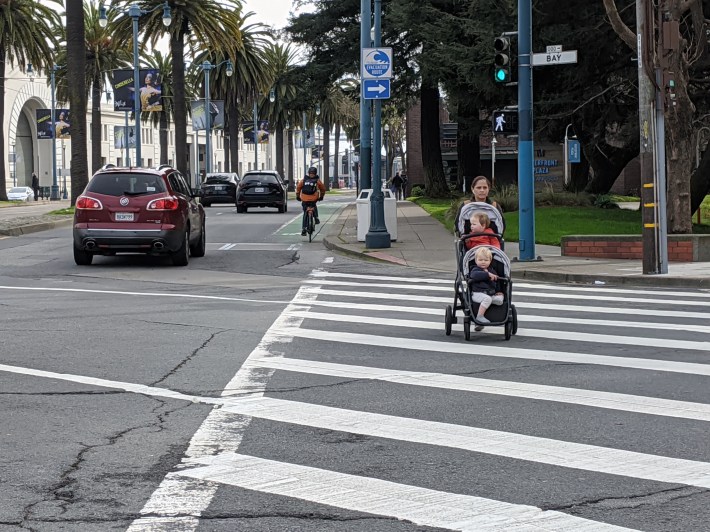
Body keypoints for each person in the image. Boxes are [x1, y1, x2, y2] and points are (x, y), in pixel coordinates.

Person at [467, 246, 504, 331]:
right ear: (476, 260)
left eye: (486, 260)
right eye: (480, 260)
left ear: (490, 261)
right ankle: (479, 316)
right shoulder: (475, 270)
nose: (483, 262)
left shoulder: (492, 271)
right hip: (477, 293)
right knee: (487, 299)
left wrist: (499, 291)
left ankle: (494, 300)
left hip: (490, 293)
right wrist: (487, 275)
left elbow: (496, 281)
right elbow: (474, 276)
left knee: (500, 298)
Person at [296, 166, 326, 236]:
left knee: (305, 213)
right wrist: (321, 196)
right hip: (313, 199)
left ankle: (304, 229)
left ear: (308, 173)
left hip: (304, 199)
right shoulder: (317, 180)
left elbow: (298, 188)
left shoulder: (304, 180)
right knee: (314, 206)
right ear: (315, 173)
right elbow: (323, 189)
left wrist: (298, 196)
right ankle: (316, 218)